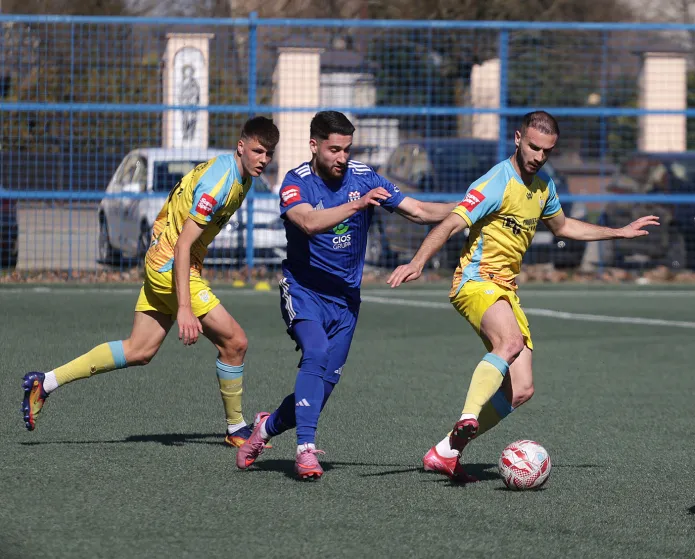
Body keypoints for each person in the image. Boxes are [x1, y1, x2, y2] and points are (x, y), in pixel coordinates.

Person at [386, 111, 660, 482]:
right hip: (475, 280)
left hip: (507, 289)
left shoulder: (543, 186)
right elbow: (451, 222)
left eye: (546, 150)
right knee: (510, 341)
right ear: (517, 138)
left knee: (521, 389)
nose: (538, 156)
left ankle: (446, 451)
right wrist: (418, 261)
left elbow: (563, 226)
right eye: (533, 146)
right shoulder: (496, 182)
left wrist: (619, 232)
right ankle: (468, 416)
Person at [22, 117, 281, 447]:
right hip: (172, 267)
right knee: (235, 342)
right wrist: (184, 308)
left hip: (163, 262)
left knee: (139, 350)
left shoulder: (239, 175)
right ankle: (237, 428)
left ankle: (44, 383)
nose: (263, 159)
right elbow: (184, 244)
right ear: (240, 146)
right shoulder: (221, 183)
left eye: (269, 154)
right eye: (258, 150)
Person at [234, 110, 458, 480]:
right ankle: (306, 451)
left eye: (347, 150)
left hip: (346, 301)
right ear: (314, 145)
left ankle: (265, 428)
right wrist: (357, 204)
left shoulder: (364, 177)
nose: (342, 157)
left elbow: (418, 211)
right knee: (316, 353)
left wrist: (470, 209)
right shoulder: (296, 182)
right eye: (334, 149)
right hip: (304, 291)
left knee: (320, 391)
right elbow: (307, 222)